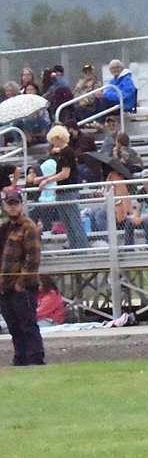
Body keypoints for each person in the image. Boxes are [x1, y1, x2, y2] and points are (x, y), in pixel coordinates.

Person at [0, 186, 44, 365]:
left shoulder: (29, 227)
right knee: (13, 325)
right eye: (9, 204)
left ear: (22, 205)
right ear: (4, 206)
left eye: (15, 204)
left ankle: (35, 357)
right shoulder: (4, 228)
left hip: (22, 286)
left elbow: (33, 259)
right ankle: (21, 357)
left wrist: (21, 282)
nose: (12, 207)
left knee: (27, 323)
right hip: (5, 284)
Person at [32, 125, 87, 249]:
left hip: (68, 191)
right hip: (62, 191)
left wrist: (48, 181)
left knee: (74, 221)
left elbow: (65, 173)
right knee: (68, 223)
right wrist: (44, 178)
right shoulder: (63, 153)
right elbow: (58, 171)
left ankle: (81, 248)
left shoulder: (67, 152)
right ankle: (75, 247)